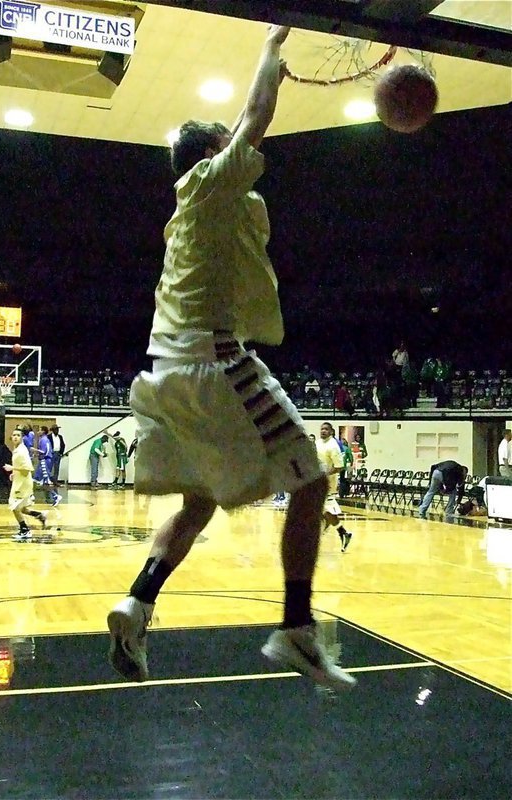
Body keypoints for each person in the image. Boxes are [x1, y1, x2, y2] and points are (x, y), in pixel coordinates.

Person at [106, 25, 356, 693]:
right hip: (210, 361)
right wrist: (271, 52)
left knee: (197, 502)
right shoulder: (211, 184)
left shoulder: (189, 217)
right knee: (310, 481)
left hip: (164, 370)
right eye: (227, 147)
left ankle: (136, 603)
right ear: (212, 154)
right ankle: (297, 627)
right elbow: (256, 118)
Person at [3, 428, 48, 541]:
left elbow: (28, 468)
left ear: (22, 438)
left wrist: (12, 468)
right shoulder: (17, 449)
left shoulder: (22, 451)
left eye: (18, 435)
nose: (15, 437)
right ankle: (39, 515)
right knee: (22, 509)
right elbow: (20, 466)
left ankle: (25, 530)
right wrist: (14, 473)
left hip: (22, 484)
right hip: (20, 481)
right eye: (13, 435)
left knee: (14, 506)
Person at [315, 423, 353, 552]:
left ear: (331, 432)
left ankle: (340, 532)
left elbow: (339, 466)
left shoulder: (333, 446)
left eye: (326, 429)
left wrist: (325, 474)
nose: (323, 431)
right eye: (322, 429)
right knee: (321, 509)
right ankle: (340, 532)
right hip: (317, 480)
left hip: (328, 483)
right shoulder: (318, 443)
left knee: (325, 509)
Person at [34, 425, 62, 507]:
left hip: (45, 460)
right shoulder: (43, 439)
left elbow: (45, 451)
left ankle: (55, 496)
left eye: (39, 430)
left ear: (43, 431)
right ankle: (55, 496)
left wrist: (35, 450)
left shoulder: (44, 440)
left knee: (44, 480)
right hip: (44, 460)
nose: (38, 432)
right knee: (40, 480)